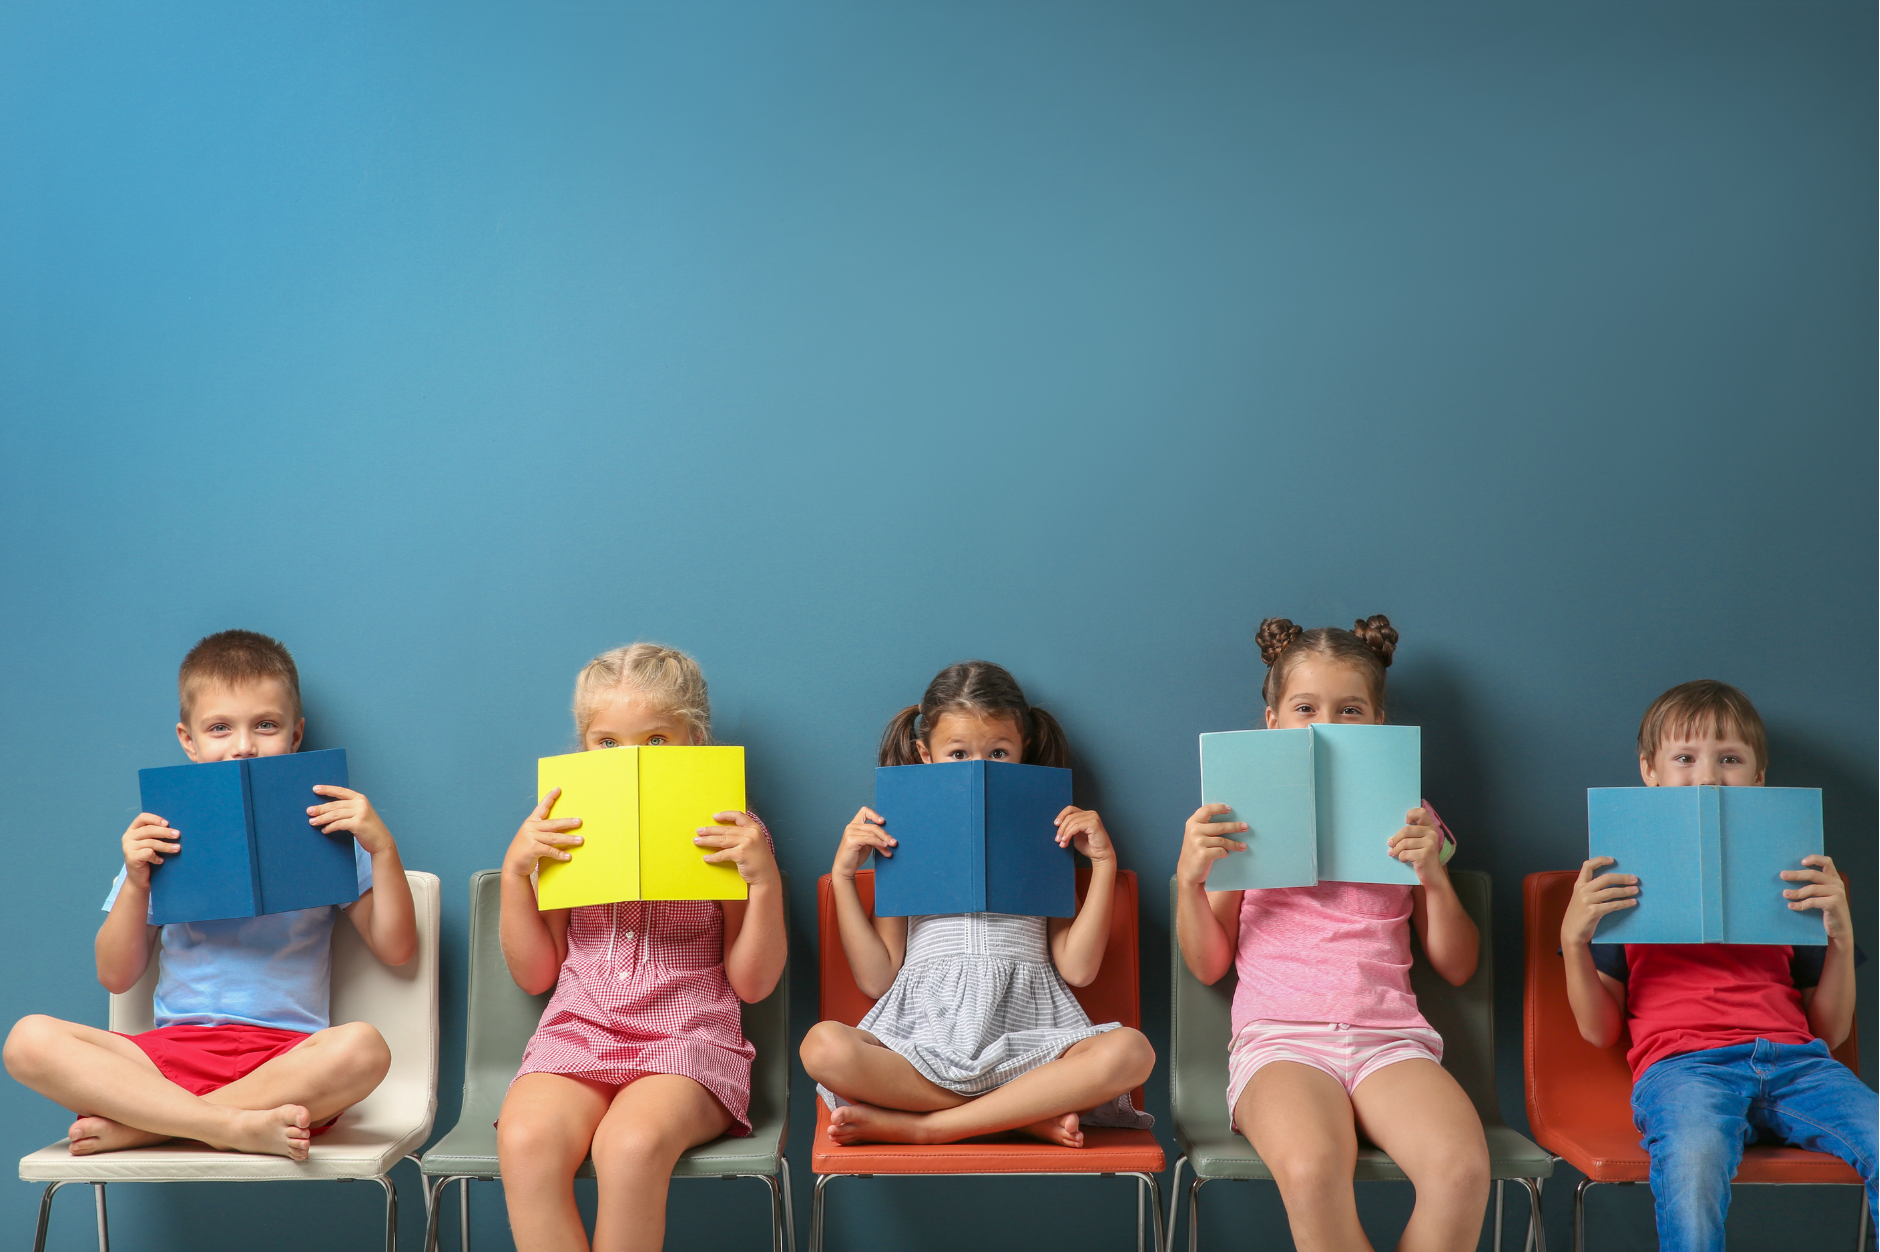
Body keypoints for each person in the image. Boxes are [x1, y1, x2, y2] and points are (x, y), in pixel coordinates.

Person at [3, 629, 417, 1160]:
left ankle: (156, 1129)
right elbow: (116, 974)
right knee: (27, 1039)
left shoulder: (328, 832)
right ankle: (229, 1125)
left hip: (285, 1062)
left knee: (363, 1048)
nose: (243, 745)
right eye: (219, 728)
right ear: (188, 741)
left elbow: (398, 948)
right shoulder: (162, 837)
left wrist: (382, 849)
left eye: (265, 725)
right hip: (169, 1058)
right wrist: (135, 880)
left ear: (295, 736)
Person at [1175, 616, 1487, 1252]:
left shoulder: (1414, 817)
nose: (1326, 724)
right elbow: (1209, 965)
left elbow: (1458, 965)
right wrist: (1188, 881)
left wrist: (1432, 876)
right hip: (1282, 1042)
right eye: (1305, 708)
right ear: (1273, 721)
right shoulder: (1242, 818)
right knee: (1314, 1169)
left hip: (1389, 1040)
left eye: (1350, 709)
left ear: (1378, 723)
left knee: (1461, 1170)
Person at [1560, 678, 1874, 1252]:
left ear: (1757, 779)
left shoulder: (1794, 877)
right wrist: (1574, 941)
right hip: (1684, 1069)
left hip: (1799, 1063)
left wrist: (1843, 939)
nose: (1707, 776)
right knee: (1693, 1161)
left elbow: (1830, 1030)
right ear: (1649, 772)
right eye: (1684, 758)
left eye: (1729, 759)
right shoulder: (1617, 880)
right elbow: (1599, 1030)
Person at [496, 643, 786, 1252]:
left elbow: (754, 984)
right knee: (524, 1138)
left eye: (655, 741)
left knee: (628, 1147)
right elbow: (535, 974)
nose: (631, 759)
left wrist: (762, 883)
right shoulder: (561, 827)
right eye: (608, 743)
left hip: (689, 1042)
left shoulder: (731, 834)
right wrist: (514, 875)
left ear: (694, 742)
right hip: (577, 1034)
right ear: (584, 748)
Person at [799, 659, 1154, 1147]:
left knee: (1132, 1052)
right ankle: (1022, 1114)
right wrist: (843, 874)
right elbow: (878, 977)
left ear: (1023, 750)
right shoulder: (903, 834)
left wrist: (1103, 863)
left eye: (999, 752)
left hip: (1030, 1036)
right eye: (958, 753)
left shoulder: (1044, 829)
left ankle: (929, 1127)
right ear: (925, 754)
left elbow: (1078, 968)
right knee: (822, 1047)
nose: (980, 767)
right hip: (927, 1033)